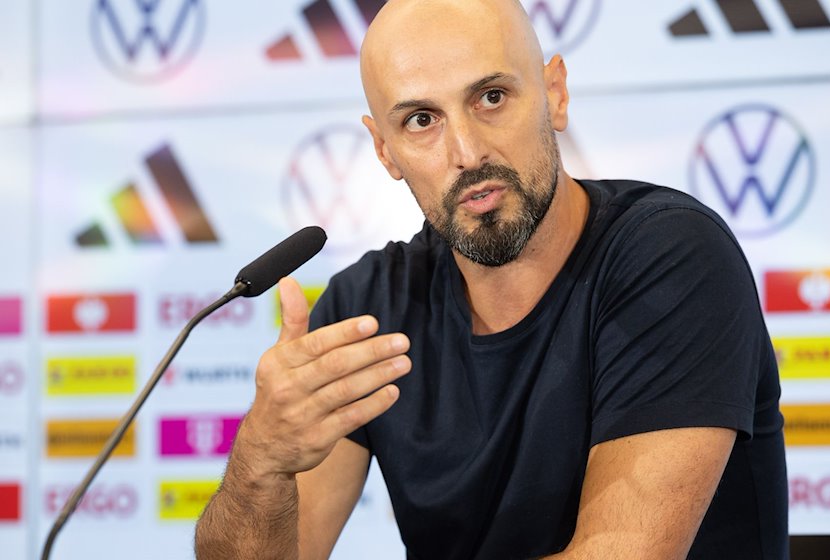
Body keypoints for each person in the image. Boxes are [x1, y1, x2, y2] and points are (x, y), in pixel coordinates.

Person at [194, 0, 788, 558]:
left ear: (554, 94)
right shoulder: (365, 308)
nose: (467, 150)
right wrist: (259, 461)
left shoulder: (672, 255)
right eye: (422, 119)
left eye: (492, 97)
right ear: (385, 151)